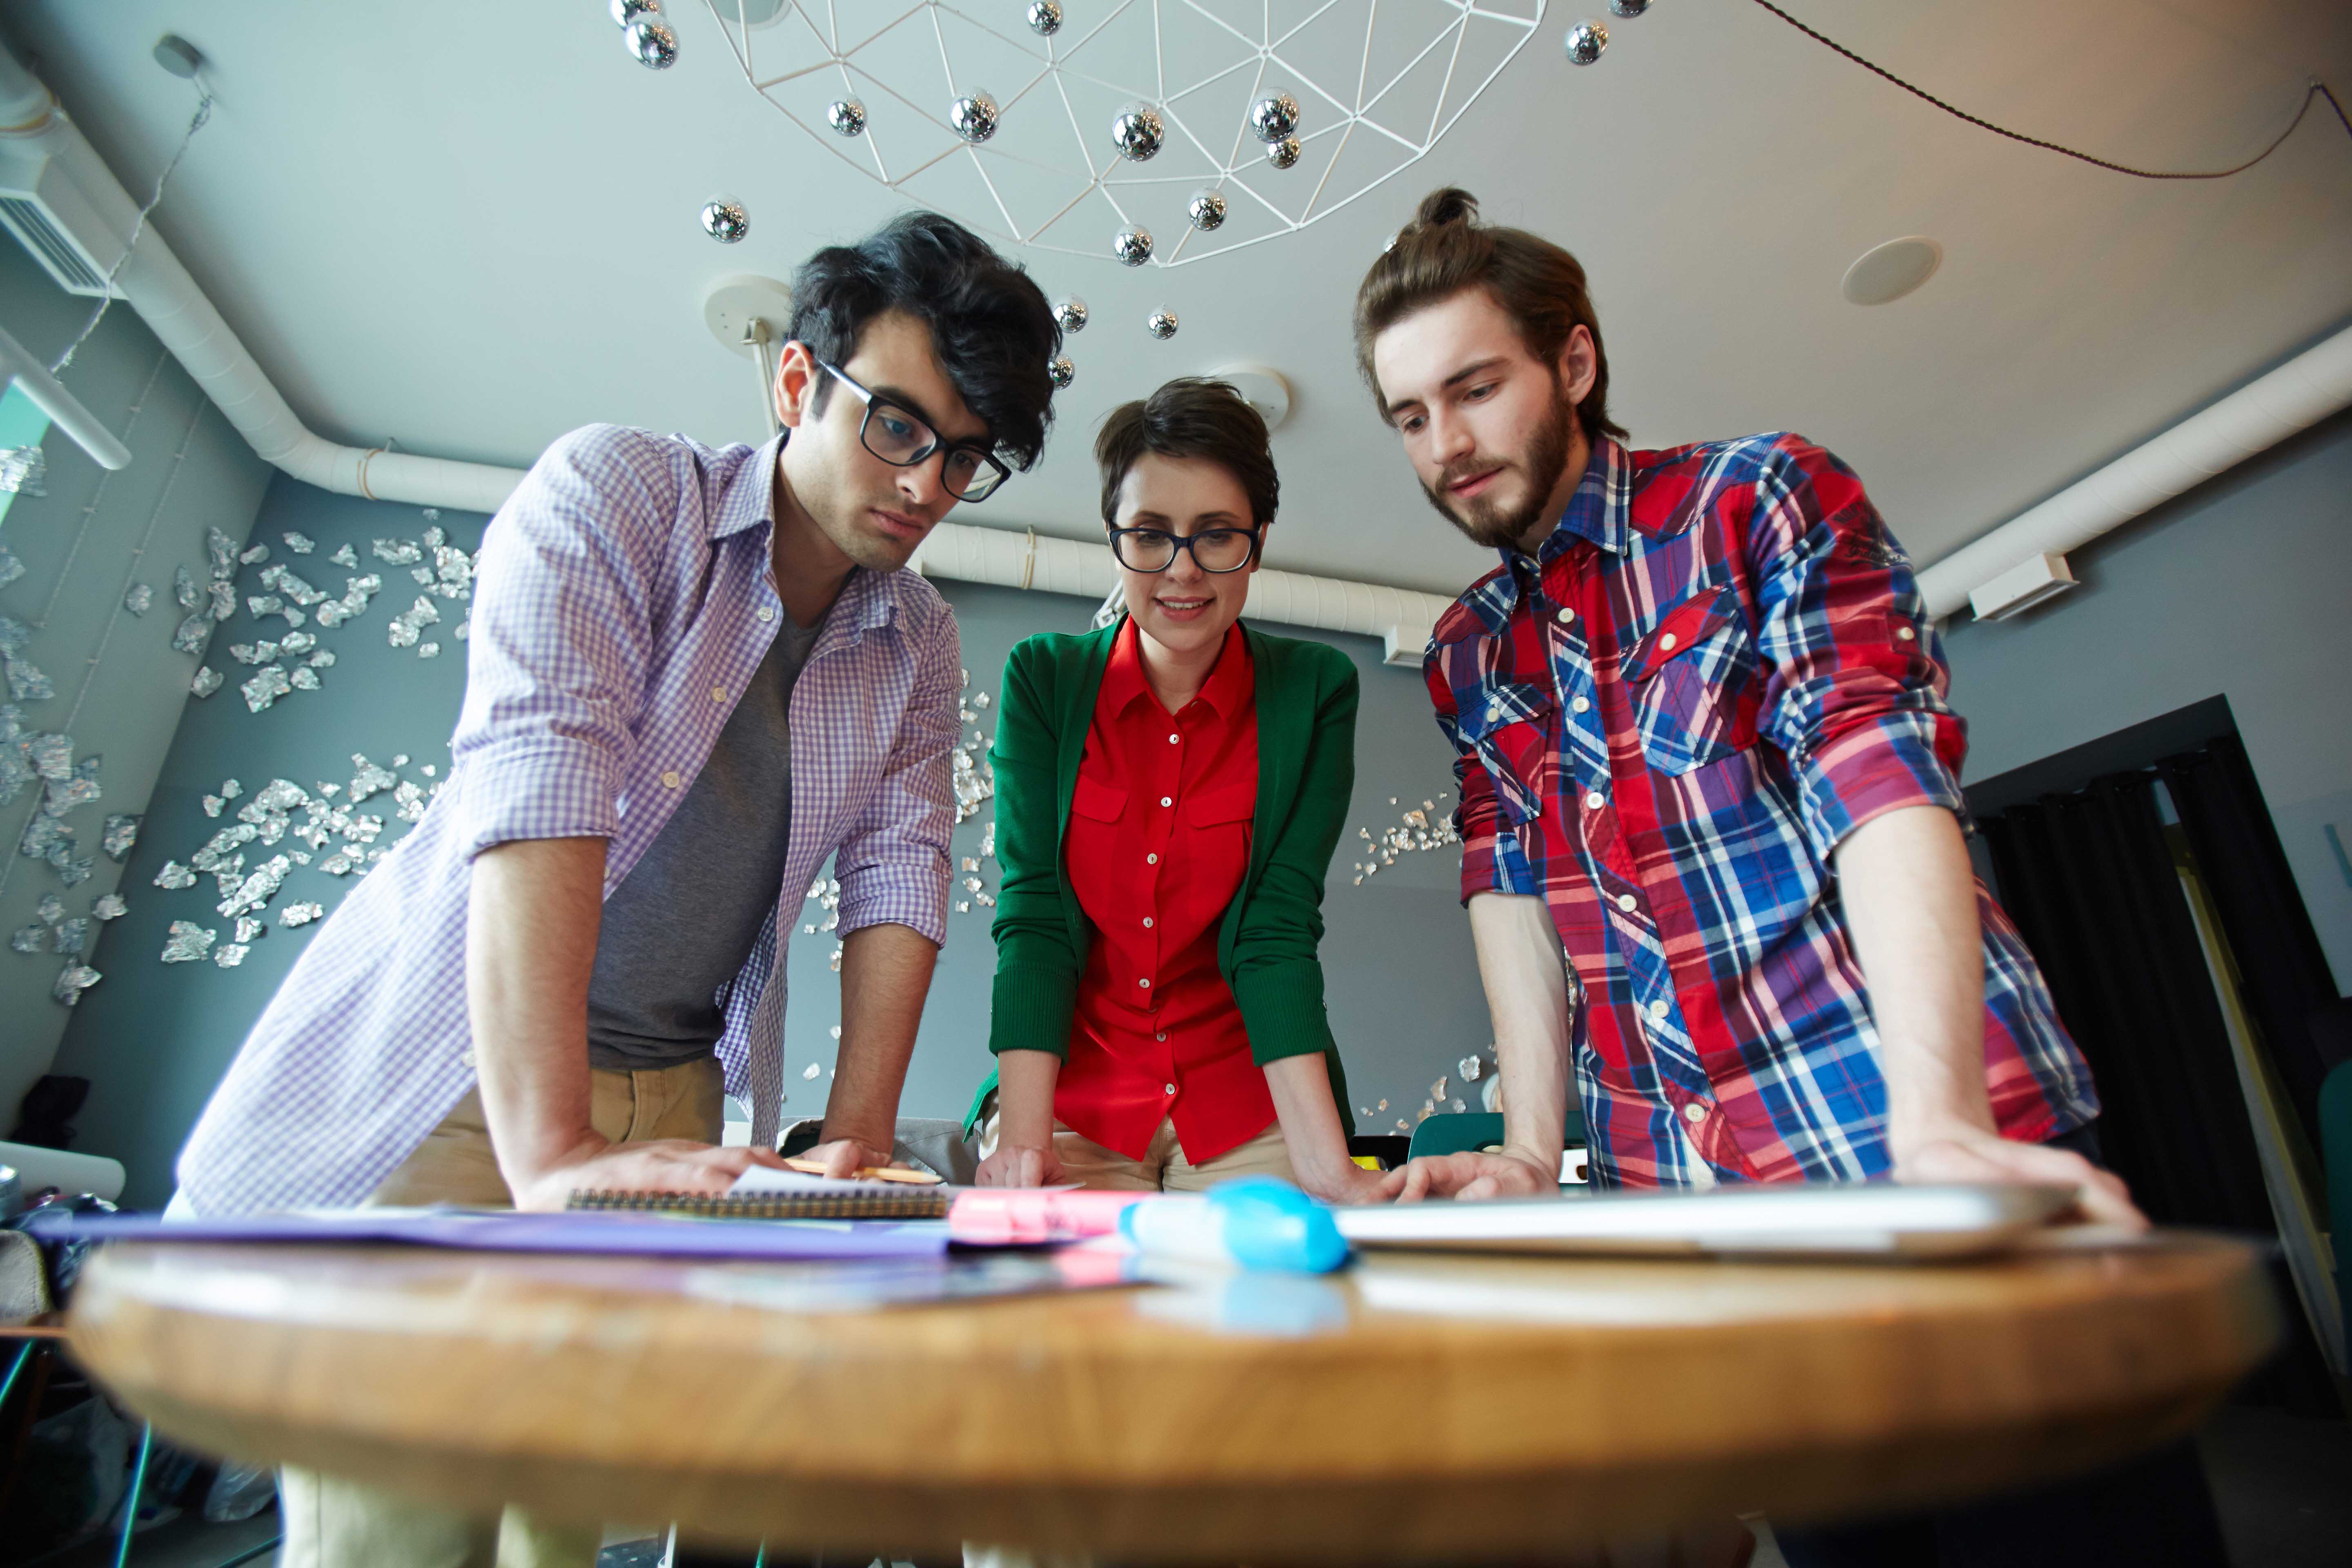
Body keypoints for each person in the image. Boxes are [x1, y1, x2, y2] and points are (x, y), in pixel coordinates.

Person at [1354, 188, 2234, 1568]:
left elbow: (1875, 775)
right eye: (1411, 416)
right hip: (1715, 1222)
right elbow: (1511, 884)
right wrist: (1532, 1148)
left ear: (1574, 364)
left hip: (1913, 1158)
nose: (1448, 447)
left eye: (1475, 388)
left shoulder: (1754, 499)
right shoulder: (1471, 653)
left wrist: (1932, 1120)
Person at [174, 210, 1060, 1568]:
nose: (927, 483)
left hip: (678, 1096)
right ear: (793, 382)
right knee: (398, 1524)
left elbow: (898, 871)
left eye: (965, 456)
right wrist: (552, 1156)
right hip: (473, 1080)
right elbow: (542, 781)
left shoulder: (917, 639)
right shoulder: (618, 496)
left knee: (564, 1520)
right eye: (896, 424)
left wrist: (857, 1140)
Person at [974, 379, 1399, 1204]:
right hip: (1079, 1097)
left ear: (1259, 539)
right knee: (1056, 1307)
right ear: (1115, 538)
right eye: (1150, 536)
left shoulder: (1315, 692)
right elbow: (1035, 920)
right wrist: (1023, 1146)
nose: (1183, 571)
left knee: (1274, 1305)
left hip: (1248, 1100)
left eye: (1216, 537)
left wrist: (1325, 1165)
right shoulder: (1044, 680)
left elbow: (1275, 929)